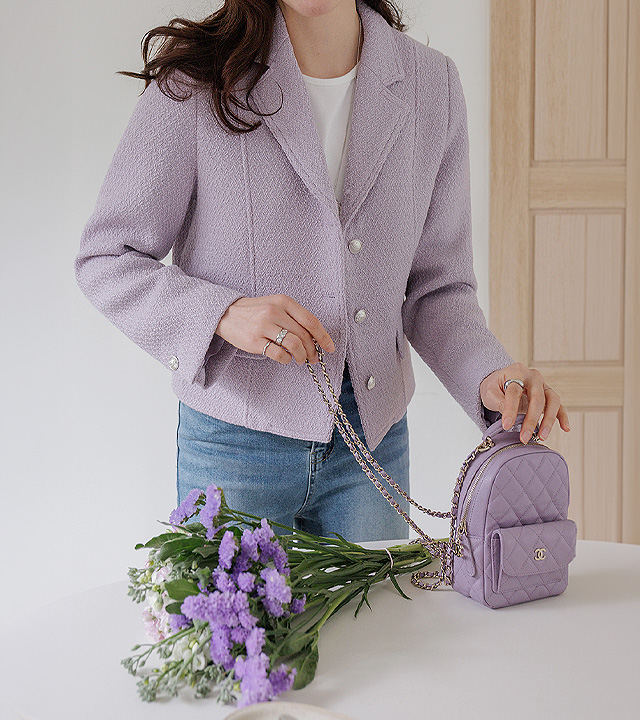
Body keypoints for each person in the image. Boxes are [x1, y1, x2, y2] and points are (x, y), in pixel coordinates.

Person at [74, 0, 570, 542]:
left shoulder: (432, 86)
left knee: (380, 605)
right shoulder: (197, 81)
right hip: (235, 442)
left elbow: (437, 286)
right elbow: (108, 258)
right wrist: (224, 313)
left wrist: (488, 374)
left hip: (373, 445)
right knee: (231, 604)